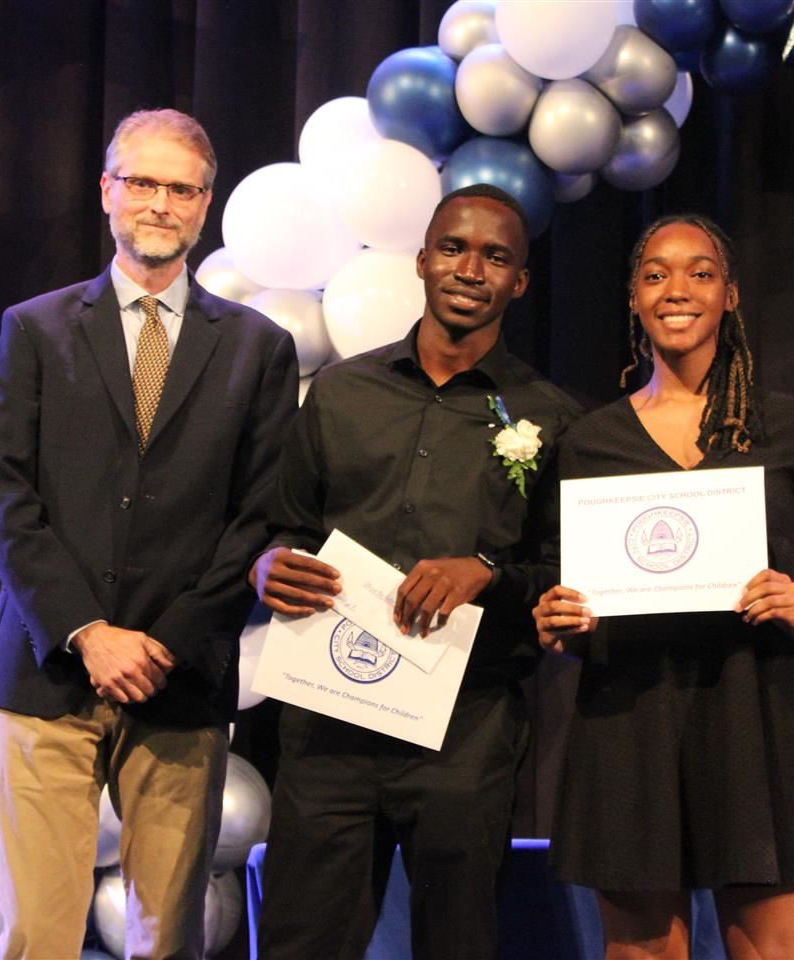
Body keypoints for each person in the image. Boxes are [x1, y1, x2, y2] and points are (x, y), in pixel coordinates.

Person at [0, 108, 299, 960]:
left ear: (205, 204)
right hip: (51, 668)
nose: (160, 203)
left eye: (180, 188)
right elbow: (6, 494)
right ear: (107, 193)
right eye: (143, 182)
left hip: (180, 677)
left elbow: (259, 515)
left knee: (169, 940)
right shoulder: (35, 329)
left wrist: (166, 641)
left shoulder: (258, 348)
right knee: (35, 936)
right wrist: (89, 633)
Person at [248, 184, 583, 960]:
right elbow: (285, 527)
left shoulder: (551, 415)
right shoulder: (340, 392)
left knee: (456, 942)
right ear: (425, 259)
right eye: (456, 248)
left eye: (497, 256)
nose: (472, 268)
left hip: (466, 725)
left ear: (520, 282)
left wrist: (489, 572)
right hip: (329, 719)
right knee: (304, 942)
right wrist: (268, 566)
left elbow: (564, 571)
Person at [533, 214, 794, 960]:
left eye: (699, 272)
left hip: (757, 720)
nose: (676, 289)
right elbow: (571, 608)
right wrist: (557, 622)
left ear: (731, 295)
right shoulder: (589, 442)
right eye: (655, 274)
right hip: (627, 721)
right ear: (632, 299)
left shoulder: (793, 427)